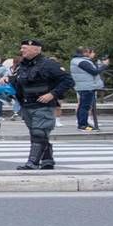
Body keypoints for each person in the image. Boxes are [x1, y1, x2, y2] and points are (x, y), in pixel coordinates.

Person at [11, 39, 71, 171]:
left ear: (36, 49)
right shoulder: (22, 65)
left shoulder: (48, 64)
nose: (22, 50)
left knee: (39, 133)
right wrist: (8, 81)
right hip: (27, 105)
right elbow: (20, 83)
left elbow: (67, 80)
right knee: (38, 134)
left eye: (25, 48)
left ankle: (32, 162)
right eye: (22, 48)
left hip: (43, 105)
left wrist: (53, 94)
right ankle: (47, 160)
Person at [71, 47, 105, 131]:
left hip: (85, 86)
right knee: (85, 106)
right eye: (92, 52)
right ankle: (83, 125)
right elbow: (94, 71)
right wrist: (104, 65)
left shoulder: (78, 60)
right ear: (86, 53)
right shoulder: (82, 61)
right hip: (87, 87)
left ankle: (83, 124)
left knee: (84, 106)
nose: (94, 54)